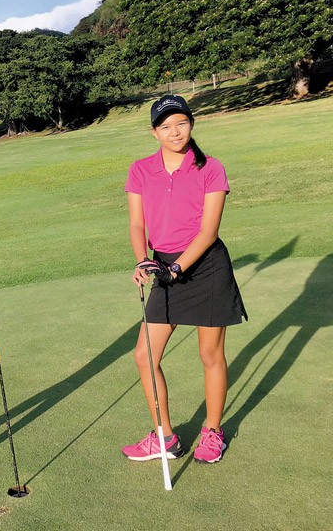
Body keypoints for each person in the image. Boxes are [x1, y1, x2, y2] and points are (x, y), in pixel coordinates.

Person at [123, 95, 247, 465]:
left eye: (181, 123)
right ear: (154, 132)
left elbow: (208, 232)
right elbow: (136, 223)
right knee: (145, 356)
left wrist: (178, 269)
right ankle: (165, 436)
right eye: (165, 126)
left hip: (206, 267)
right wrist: (144, 260)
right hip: (162, 266)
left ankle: (212, 431)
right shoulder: (140, 170)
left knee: (209, 354)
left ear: (191, 124)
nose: (174, 132)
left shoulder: (211, 168)